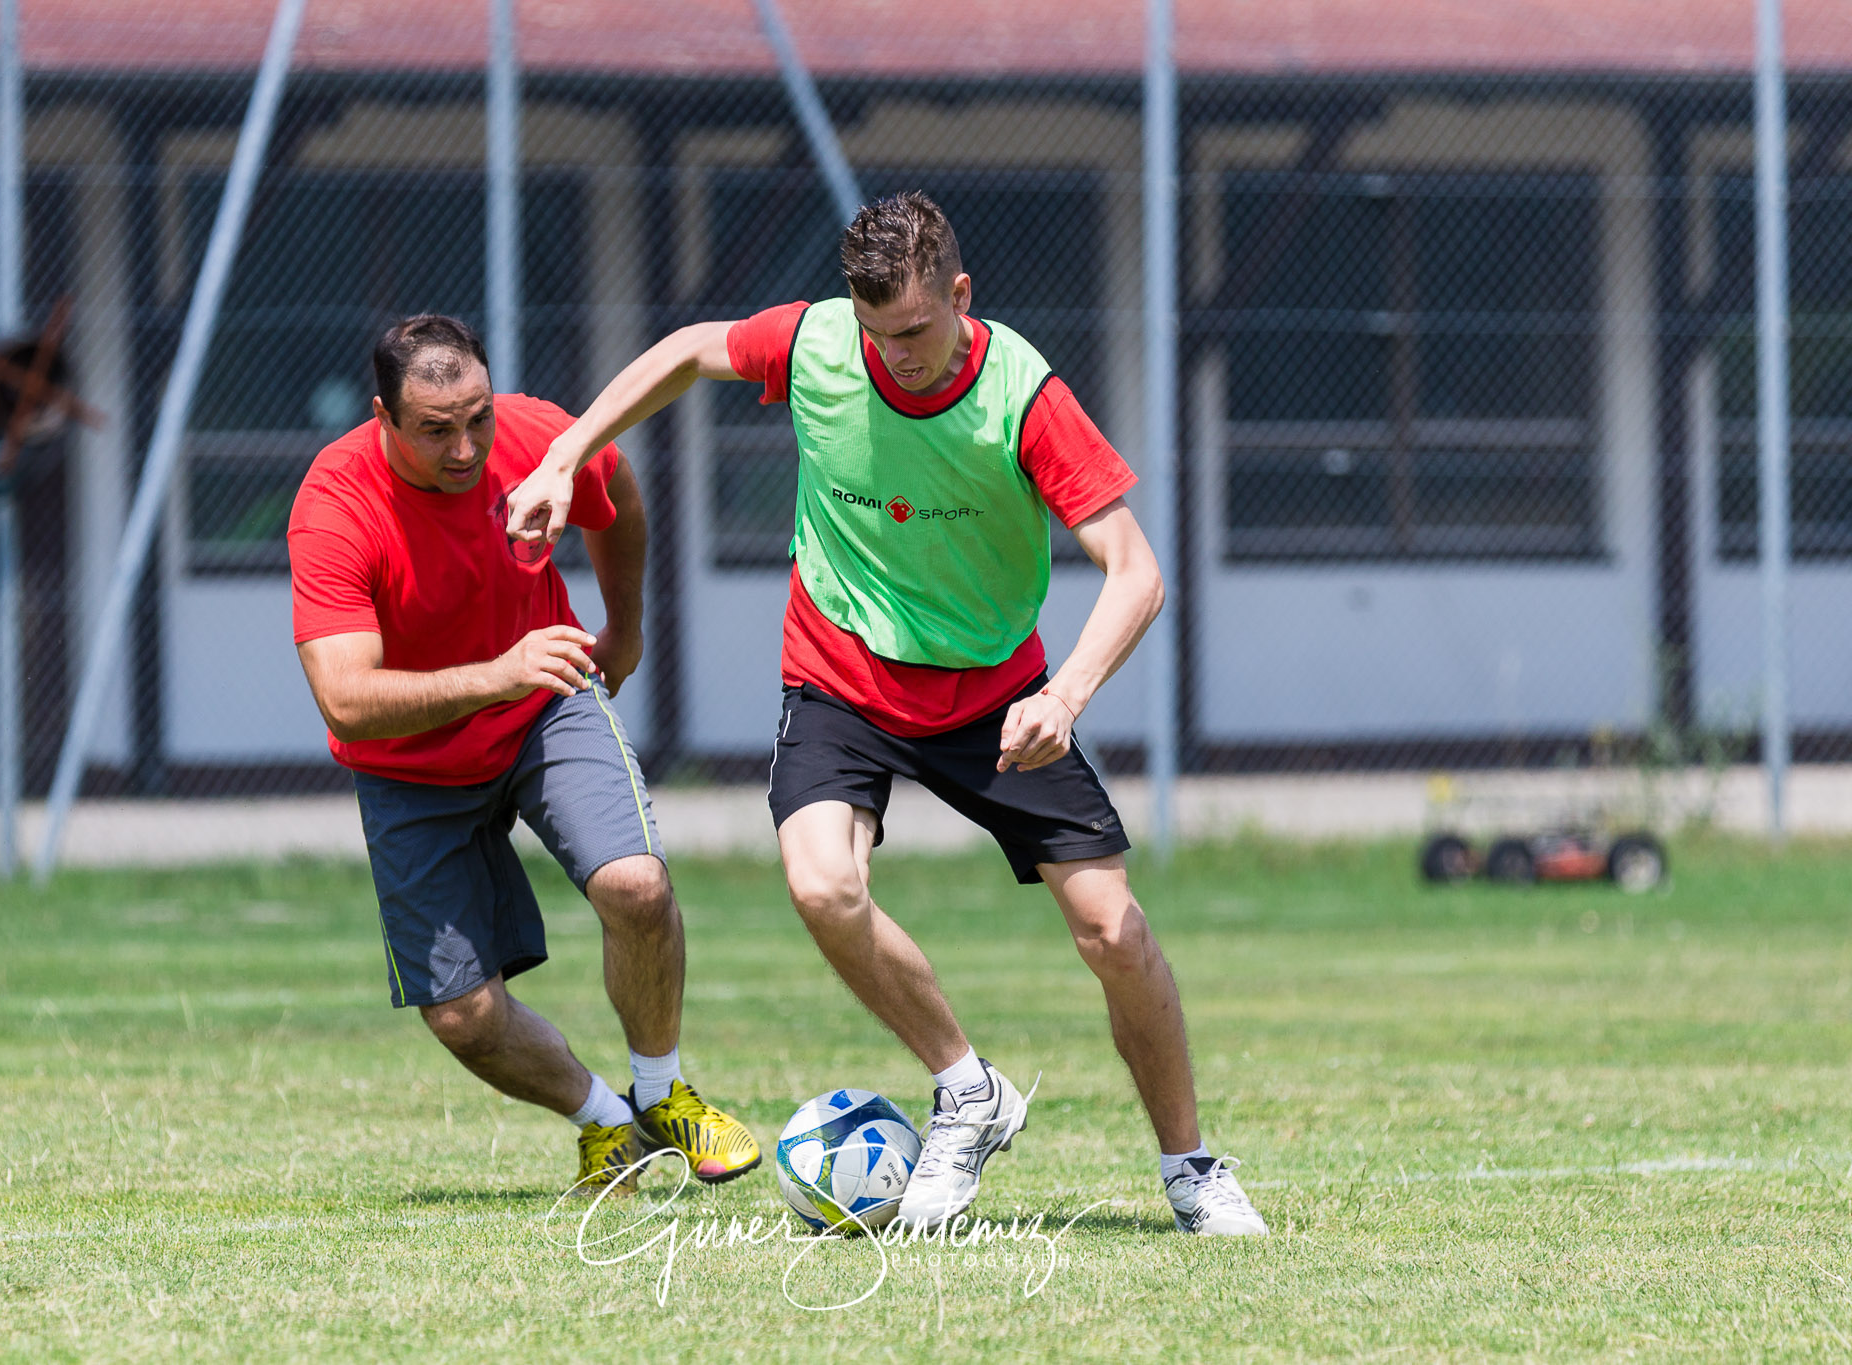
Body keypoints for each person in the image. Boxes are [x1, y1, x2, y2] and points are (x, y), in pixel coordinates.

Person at [505, 193, 1267, 1235]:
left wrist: (1066, 694)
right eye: (875, 334)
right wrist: (563, 454)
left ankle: (1190, 1168)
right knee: (822, 884)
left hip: (996, 691)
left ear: (958, 295)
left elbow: (1134, 572)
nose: (894, 355)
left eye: (913, 330)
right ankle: (966, 1089)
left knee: (1112, 933)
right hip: (841, 673)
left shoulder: (1022, 397)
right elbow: (687, 350)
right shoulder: (818, 344)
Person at [287, 314, 759, 1195]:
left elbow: (615, 496)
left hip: (545, 708)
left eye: (478, 417)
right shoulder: (334, 505)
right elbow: (347, 701)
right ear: (383, 416)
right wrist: (497, 673)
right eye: (435, 428)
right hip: (409, 761)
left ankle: (664, 1094)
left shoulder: (538, 432)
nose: (465, 448)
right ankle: (607, 1123)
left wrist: (624, 625)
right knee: (463, 1014)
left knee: (637, 884)